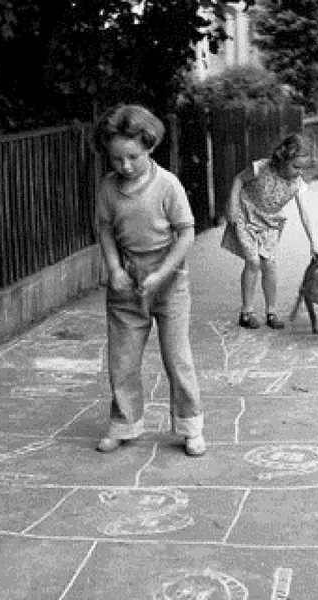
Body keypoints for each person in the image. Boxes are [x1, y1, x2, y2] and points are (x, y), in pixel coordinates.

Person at [93, 104, 205, 457]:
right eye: (116, 159)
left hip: (168, 276)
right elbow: (106, 230)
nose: (125, 166)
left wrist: (162, 273)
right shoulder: (109, 189)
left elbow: (186, 233)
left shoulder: (167, 185)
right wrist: (114, 269)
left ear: (150, 146)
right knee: (123, 358)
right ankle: (124, 423)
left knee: (177, 357)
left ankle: (190, 426)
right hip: (127, 277)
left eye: (133, 157)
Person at [221, 133, 318, 329]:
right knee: (253, 262)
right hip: (246, 216)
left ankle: (271, 312)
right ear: (283, 157)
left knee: (269, 264)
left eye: (303, 168)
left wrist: (314, 243)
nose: (299, 172)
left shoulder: (297, 183)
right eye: (296, 166)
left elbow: (304, 213)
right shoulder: (261, 168)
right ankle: (246, 312)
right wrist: (233, 204)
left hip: (269, 223)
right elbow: (238, 180)